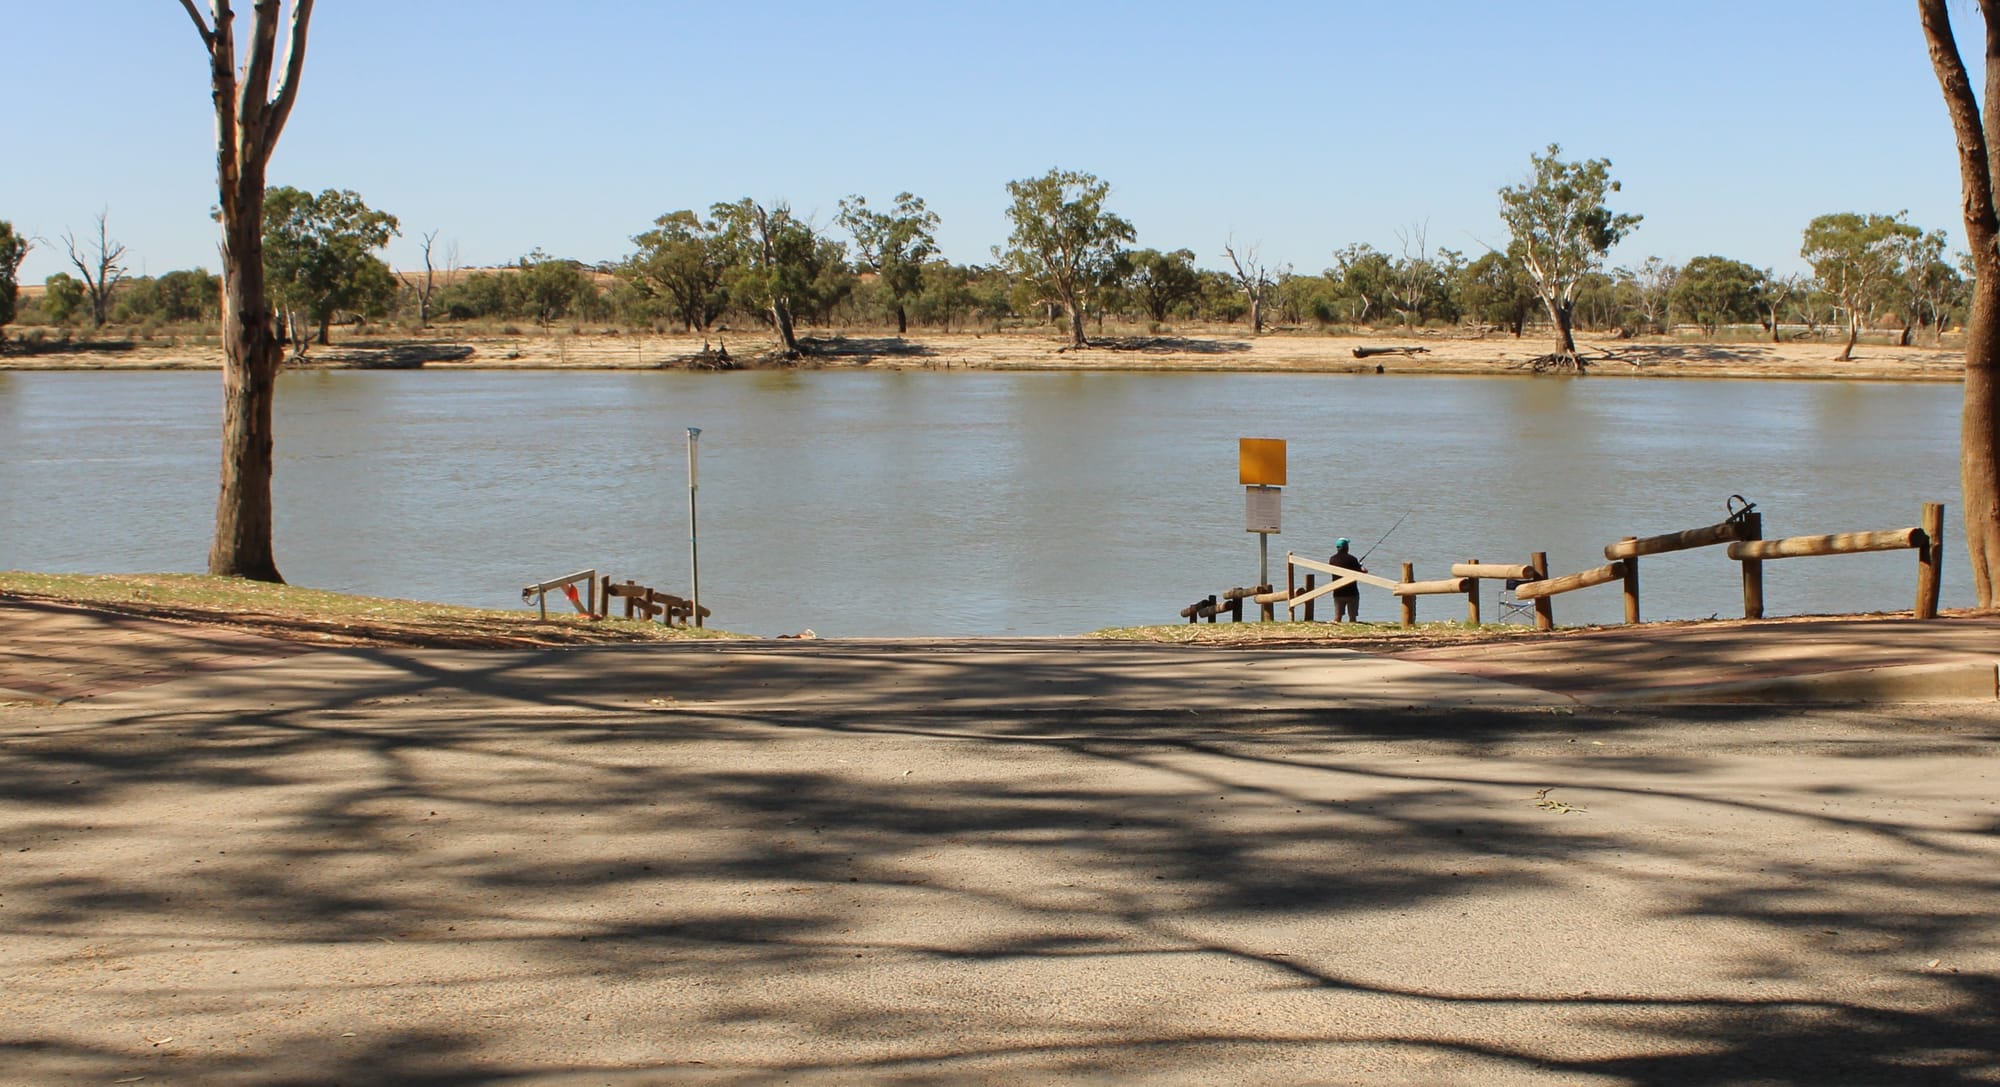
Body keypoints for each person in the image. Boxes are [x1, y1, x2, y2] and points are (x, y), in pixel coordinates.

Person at [1327, 537, 1366, 622]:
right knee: (1352, 617)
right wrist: (1360, 566)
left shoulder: (1332, 559)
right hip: (1351, 592)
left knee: (1338, 616)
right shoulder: (1352, 559)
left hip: (1337, 592)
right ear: (1346, 547)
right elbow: (1361, 572)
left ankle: (1336, 628)